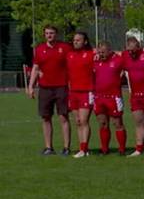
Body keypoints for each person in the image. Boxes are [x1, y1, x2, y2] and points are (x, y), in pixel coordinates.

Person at [26, 25, 72, 155]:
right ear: (44, 35)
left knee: (63, 117)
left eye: (51, 33)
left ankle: (66, 147)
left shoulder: (65, 48)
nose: (49, 35)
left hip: (62, 87)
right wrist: (31, 86)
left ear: (56, 34)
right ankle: (48, 147)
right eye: (47, 33)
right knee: (45, 117)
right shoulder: (40, 49)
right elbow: (35, 68)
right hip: (45, 88)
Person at [92, 41, 127, 155]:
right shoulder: (95, 61)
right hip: (99, 97)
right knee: (102, 123)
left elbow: (128, 58)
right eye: (100, 52)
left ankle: (122, 149)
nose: (101, 54)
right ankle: (104, 149)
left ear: (110, 51)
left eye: (104, 52)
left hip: (114, 97)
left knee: (117, 123)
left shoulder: (118, 60)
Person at [66, 32, 95, 158]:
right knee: (77, 121)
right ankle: (82, 148)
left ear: (85, 41)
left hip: (86, 91)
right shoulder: (69, 55)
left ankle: (84, 149)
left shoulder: (91, 54)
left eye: (78, 40)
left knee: (84, 120)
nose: (75, 42)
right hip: (73, 92)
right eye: (74, 40)